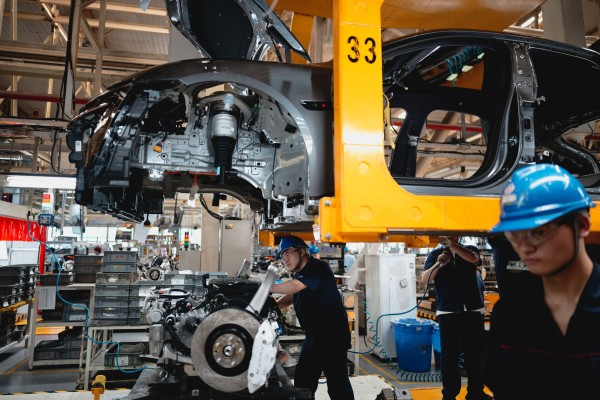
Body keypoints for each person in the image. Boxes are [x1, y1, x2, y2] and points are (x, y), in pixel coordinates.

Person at [482, 163, 600, 400]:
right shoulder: (510, 315)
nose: (524, 247)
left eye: (539, 232)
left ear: (582, 226)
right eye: (514, 235)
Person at [271, 235, 354, 400]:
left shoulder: (318, 267)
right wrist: (273, 307)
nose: (285, 259)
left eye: (288, 253)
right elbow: (292, 295)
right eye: (282, 256)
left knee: (337, 385)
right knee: (302, 382)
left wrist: (265, 286)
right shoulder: (300, 274)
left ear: (301, 251)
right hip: (314, 337)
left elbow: (295, 287)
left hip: (332, 337)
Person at [421, 236, 492, 400]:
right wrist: (440, 263)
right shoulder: (435, 255)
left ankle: (475, 392)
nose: (449, 237)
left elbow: (474, 258)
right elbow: (425, 278)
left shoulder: (468, 249)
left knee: (474, 354)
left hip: (472, 310)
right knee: (449, 356)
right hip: (448, 311)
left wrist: (452, 246)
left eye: (453, 235)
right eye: (446, 236)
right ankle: (449, 394)